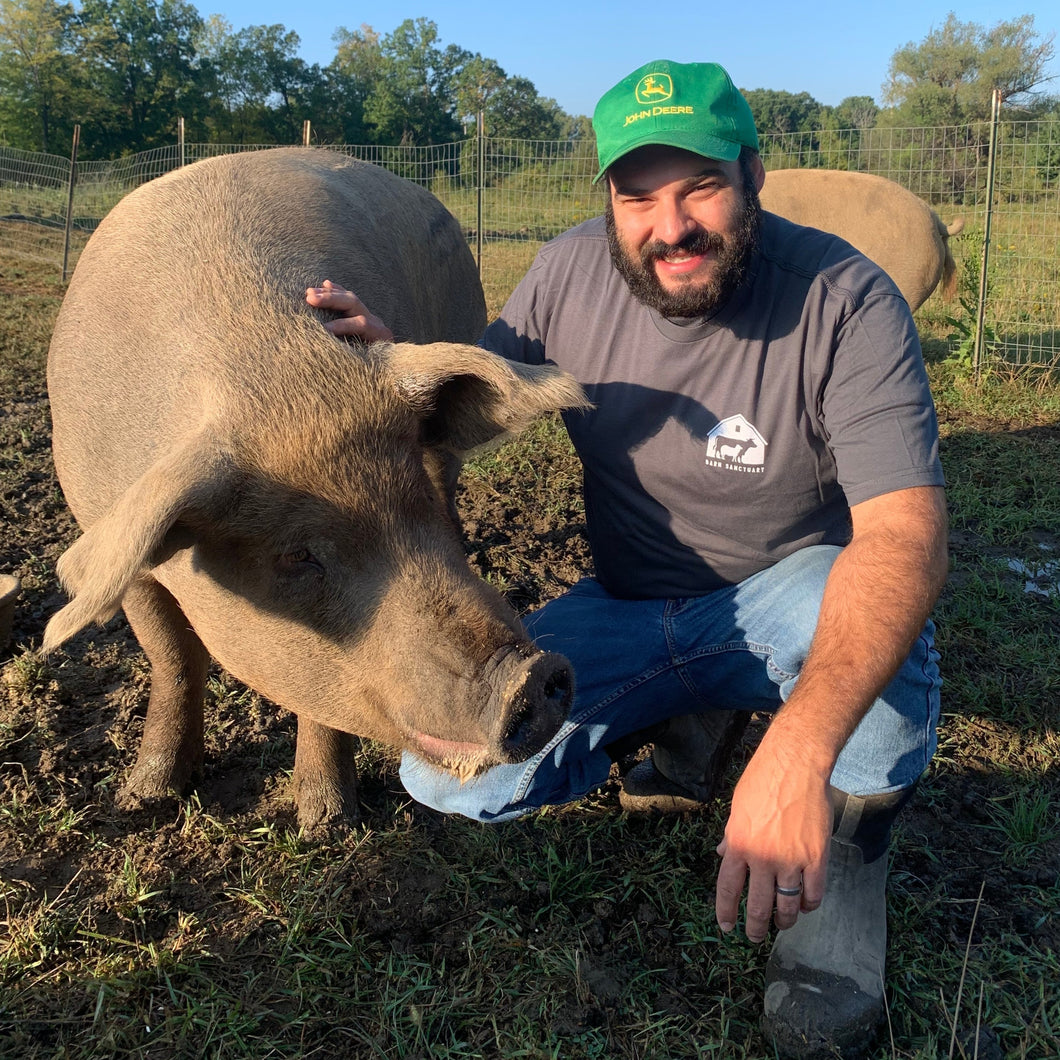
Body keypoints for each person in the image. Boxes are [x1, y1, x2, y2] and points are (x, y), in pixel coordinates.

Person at [307, 59, 948, 1059]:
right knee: (453, 779)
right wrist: (393, 364)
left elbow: (904, 538)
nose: (671, 222)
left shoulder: (843, 299)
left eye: (700, 185)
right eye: (637, 192)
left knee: (877, 649)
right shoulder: (569, 273)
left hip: (788, 590)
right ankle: (679, 724)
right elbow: (472, 405)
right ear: (608, 195)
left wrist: (799, 747)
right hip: (631, 597)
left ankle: (848, 847)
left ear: (754, 175)